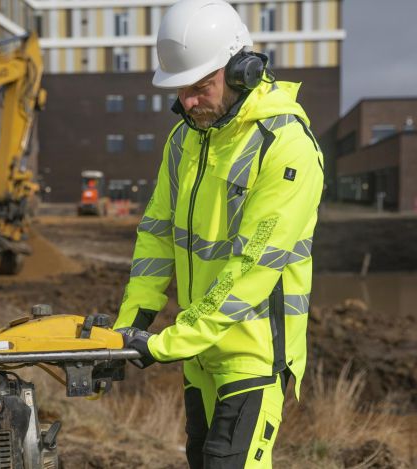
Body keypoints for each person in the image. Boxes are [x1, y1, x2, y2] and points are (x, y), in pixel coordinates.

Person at [113, 0, 324, 467]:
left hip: (252, 355)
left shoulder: (286, 147)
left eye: (199, 87)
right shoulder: (185, 138)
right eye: (180, 90)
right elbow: (156, 235)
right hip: (200, 356)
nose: (187, 102)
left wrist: (168, 343)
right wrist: (131, 324)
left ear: (241, 70)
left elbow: (252, 267)